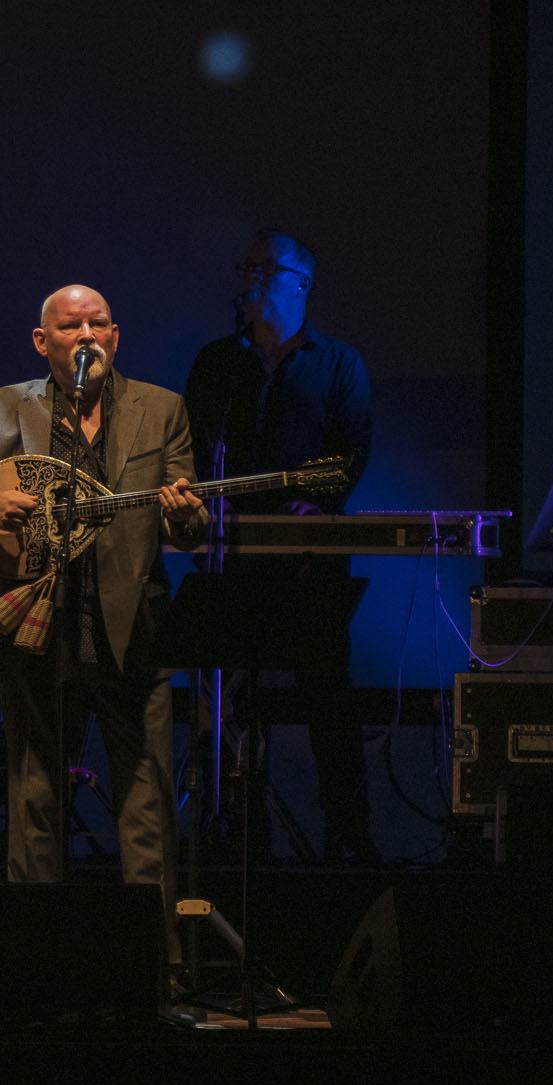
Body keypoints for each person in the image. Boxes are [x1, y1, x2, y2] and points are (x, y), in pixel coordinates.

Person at [0, 285, 205, 920]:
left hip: (134, 630)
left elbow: (188, 529)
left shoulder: (162, 408)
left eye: (99, 323)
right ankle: (36, 965)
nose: (88, 335)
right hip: (38, 633)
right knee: (36, 801)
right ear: (45, 343)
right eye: (72, 326)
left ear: (116, 336)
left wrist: (188, 517)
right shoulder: (3, 410)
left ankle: (156, 969)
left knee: (145, 804)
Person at [184, 230, 374, 864]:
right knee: (223, 699)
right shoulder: (219, 364)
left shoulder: (339, 363)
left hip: (308, 562)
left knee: (328, 693)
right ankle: (233, 841)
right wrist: (211, 500)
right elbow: (189, 449)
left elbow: (351, 454)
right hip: (229, 557)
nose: (253, 277)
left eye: (267, 268)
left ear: (301, 283)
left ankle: (346, 842)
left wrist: (316, 506)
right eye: (248, 268)